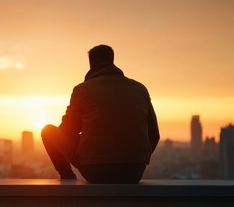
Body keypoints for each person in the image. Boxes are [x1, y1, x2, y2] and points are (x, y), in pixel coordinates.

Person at [41, 45, 159, 184]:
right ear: (112, 60)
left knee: (48, 131)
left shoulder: (82, 90)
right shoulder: (140, 89)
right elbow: (154, 134)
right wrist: (135, 159)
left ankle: (68, 177)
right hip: (133, 172)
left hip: (95, 171)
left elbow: (66, 131)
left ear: (91, 64)